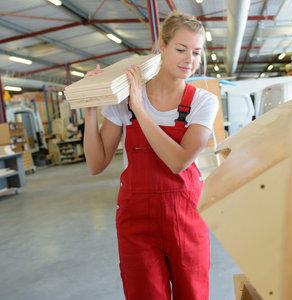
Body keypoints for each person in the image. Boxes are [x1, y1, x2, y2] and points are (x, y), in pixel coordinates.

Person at [83, 11, 218, 300]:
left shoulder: (203, 102)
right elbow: (96, 164)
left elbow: (179, 161)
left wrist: (140, 110)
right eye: (181, 49)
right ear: (161, 47)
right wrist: (90, 108)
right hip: (137, 222)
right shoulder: (123, 100)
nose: (189, 60)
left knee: (193, 293)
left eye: (196, 52)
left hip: (186, 216)